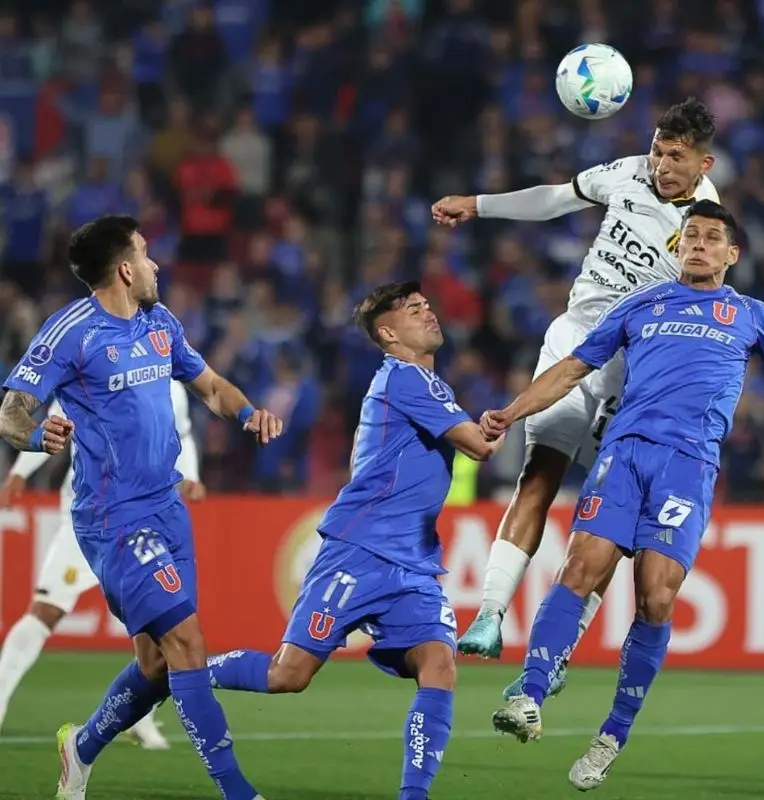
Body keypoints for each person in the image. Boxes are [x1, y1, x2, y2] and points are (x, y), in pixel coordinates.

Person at [481, 200, 764, 791]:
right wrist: (512, 412)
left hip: (688, 466)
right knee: (580, 566)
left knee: (654, 599)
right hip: (623, 454)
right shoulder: (641, 304)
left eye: (712, 237)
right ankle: (529, 693)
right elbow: (572, 368)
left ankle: (613, 733)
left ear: (732, 254)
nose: (699, 243)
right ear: (677, 247)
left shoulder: (749, 315)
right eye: (690, 235)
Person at [431, 98, 721, 698]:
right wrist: (478, 205)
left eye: (677, 157)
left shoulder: (705, 230)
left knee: (606, 516)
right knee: (538, 473)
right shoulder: (626, 172)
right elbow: (556, 197)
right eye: (659, 151)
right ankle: (489, 613)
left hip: (629, 370)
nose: (663, 165)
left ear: (703, 162)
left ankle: (558, 650)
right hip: (571, 341)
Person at [0, 215, 282, 800]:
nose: (156, 265)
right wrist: (35, 438)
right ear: (125, 269)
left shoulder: (161, 323)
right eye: (147, 255)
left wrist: (249, 412)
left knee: (157, 667)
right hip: (114, 516)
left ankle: (79, 751)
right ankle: (238, 791)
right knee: (187, 643)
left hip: (167, 509)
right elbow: (11, 411)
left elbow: (209, 386)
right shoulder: (71, 332)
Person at [204, 282, 505, 800]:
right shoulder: (408, 379)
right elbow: (479, 445)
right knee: (288, 675)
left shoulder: (423, 384)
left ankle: (414, 796)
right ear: (388, 333)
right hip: (360, 550)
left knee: (438, 664)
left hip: (412, 560)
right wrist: (536, 405)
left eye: (428, 305)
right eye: (414, 310)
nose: (429, 313)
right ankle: (182, 672)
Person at [0, 380, 204, 749]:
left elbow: (184, 433)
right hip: (92, 517)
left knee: (156, 625)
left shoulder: (172, 387)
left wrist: (192, 476)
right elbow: (55, 424)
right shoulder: (102, 371)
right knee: (46, 609)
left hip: (145, 519)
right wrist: (20, 472)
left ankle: (139, 718)